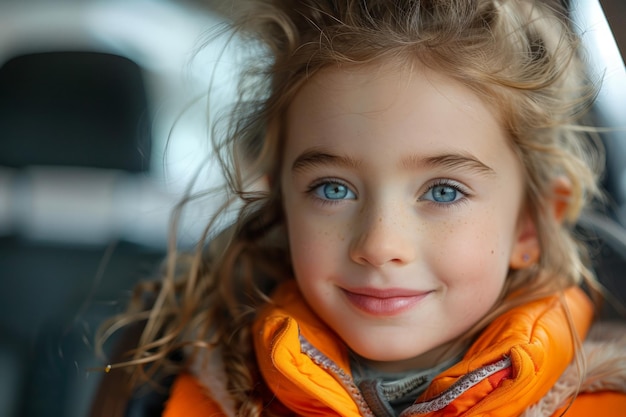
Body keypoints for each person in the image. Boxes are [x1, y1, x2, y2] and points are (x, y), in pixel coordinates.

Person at [96, 0, 626, 416]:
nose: (378, 246)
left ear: (530, 224)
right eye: (332, 189)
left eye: (443, 191)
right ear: (282, 203)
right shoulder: (179, 389)